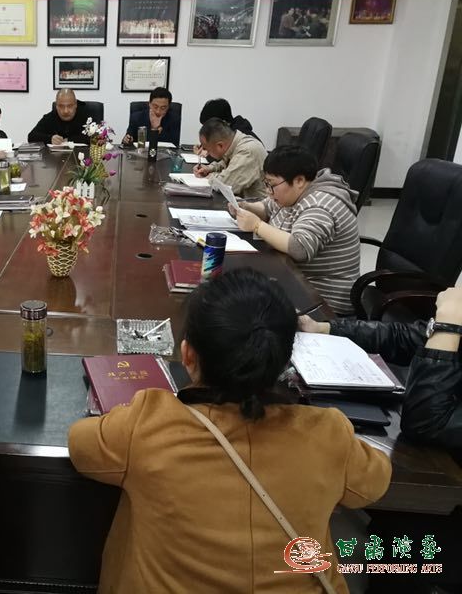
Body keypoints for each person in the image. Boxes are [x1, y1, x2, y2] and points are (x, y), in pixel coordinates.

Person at [68, 268, 391, 593]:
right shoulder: (328, 434)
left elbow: (81, 443)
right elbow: (375, 482)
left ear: (188, 355)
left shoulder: (149, 423)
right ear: (284, 361)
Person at [299, 286, 462, 458]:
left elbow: (424, 424)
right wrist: (324, 328)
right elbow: (402, 338)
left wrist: (447, 327)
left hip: (442, 464)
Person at [231, 145, 360, 315]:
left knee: (239, 302)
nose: (269, 192)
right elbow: (268, 207)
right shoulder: (293, 193)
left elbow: (299, 248)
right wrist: (246, 207)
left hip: (323, 299)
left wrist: (257, 225)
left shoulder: (320, 204)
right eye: (266, 184)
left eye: (272, 185)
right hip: (294, 277)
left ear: (299, 181)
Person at [195, 118, 268, 198]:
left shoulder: (247, 151)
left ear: (220, 145)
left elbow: (226, 185)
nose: (207, 153)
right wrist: (209, 168)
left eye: (207, 149)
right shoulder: (235, 144)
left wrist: (209, 176)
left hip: (257, 204)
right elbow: (228, 163)